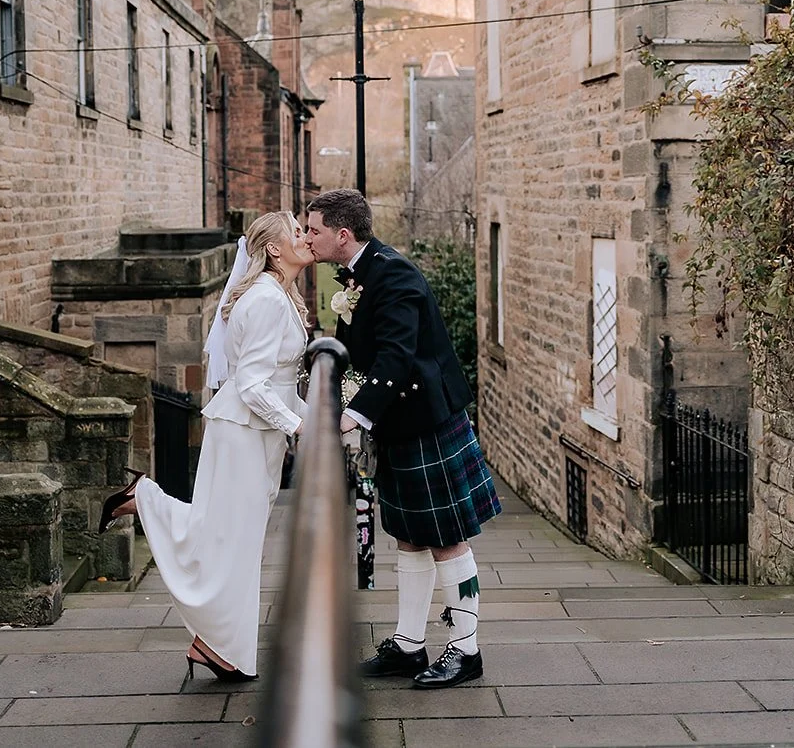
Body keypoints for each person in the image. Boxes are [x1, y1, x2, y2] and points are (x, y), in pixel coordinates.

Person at [97, 211, 313, 683]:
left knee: (226, 536)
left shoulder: (279, 296)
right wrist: (299, 428)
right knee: (231, 540)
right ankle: (219, 647)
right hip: (243, 433)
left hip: (255, 433)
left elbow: (276, 381)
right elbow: (253, 384)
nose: (306, 237)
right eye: (297, 232)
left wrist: (315, 419)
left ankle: (214, 644)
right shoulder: (264, 301)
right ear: (273, 249)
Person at [304, 188, 500, 690]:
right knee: (408, 536)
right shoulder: (358, 274)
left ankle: (466, 649)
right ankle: (410, 645)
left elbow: (395, 355)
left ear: (342, 234)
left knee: (446, 538)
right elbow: (357, 350)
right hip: (398, 422)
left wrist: (355, 415)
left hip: (425, 421)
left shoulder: (393, 274)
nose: (308, 238)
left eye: (314, 230)